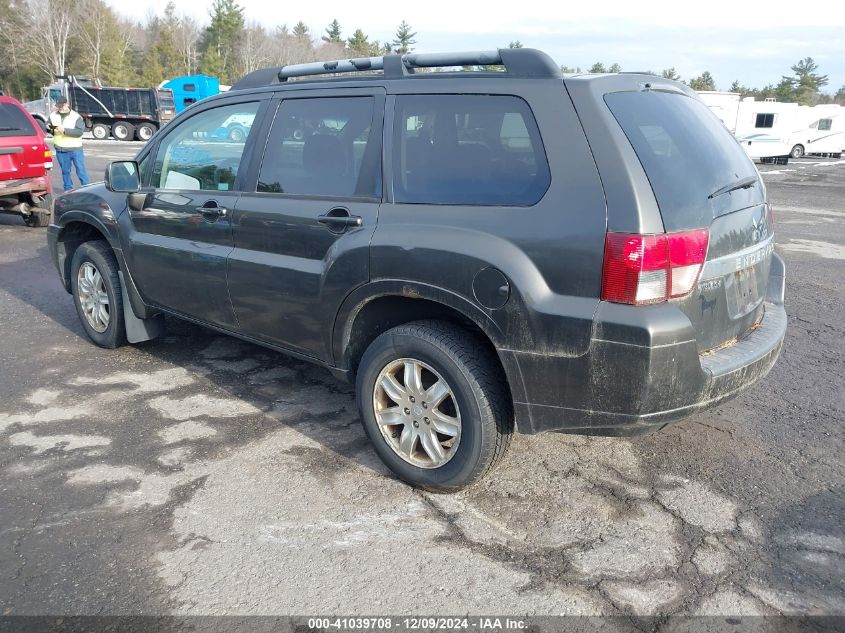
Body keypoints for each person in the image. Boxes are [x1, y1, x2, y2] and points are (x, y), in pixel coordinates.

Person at [49, 96, 89, 192]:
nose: (60, 107)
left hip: (75, 149)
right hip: (61, 149)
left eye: (62, 105)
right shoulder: (52, 115)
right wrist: (53, 130)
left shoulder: (76, 116)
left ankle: (87, 188)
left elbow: (79, 132)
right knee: (65, 171)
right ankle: (68, 189)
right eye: (58, 105)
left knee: (81, 170)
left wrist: (64, 131)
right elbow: (48, 128)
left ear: (67, 104)